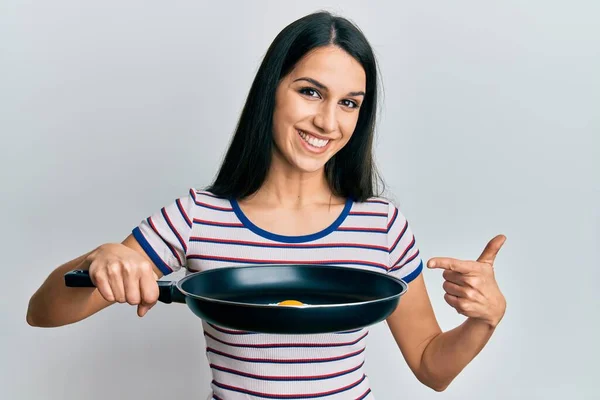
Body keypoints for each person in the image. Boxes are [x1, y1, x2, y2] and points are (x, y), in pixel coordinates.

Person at [26, 11, 507, 399]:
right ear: (271, 90)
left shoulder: (380, 225)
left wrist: (483, 319)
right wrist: (100, 259)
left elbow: (431, 365)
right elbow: (42, 312)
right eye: (310, 91)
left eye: (349, 103)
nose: (326, 121)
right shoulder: (197, 216)